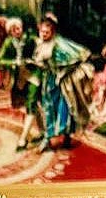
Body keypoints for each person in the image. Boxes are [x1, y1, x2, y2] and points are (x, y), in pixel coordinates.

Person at [27, 15, 91, 150]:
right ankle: (47, 137)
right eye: (42, 32)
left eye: (47, 32)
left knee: (65, 108)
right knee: (48, 109)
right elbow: (39, 60)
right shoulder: (40, 44)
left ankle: (66, 136)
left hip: (60, 81)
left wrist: (61, 74)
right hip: (47, 80)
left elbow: (75, 59)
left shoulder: (59, 44)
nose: (44, 35)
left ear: (53, 32)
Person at [0, 16, 36, 135]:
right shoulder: (8, 42)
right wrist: (13, 62)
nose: (17, 31)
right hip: (16, 76)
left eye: (18, 28)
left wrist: (31, 60)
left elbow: (37, 51)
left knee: (31, 101)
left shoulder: (29, 39)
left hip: (30, 73)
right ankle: (25, 127)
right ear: (10, 32)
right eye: (14, 30)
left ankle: (29, 127)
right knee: (19, 103)